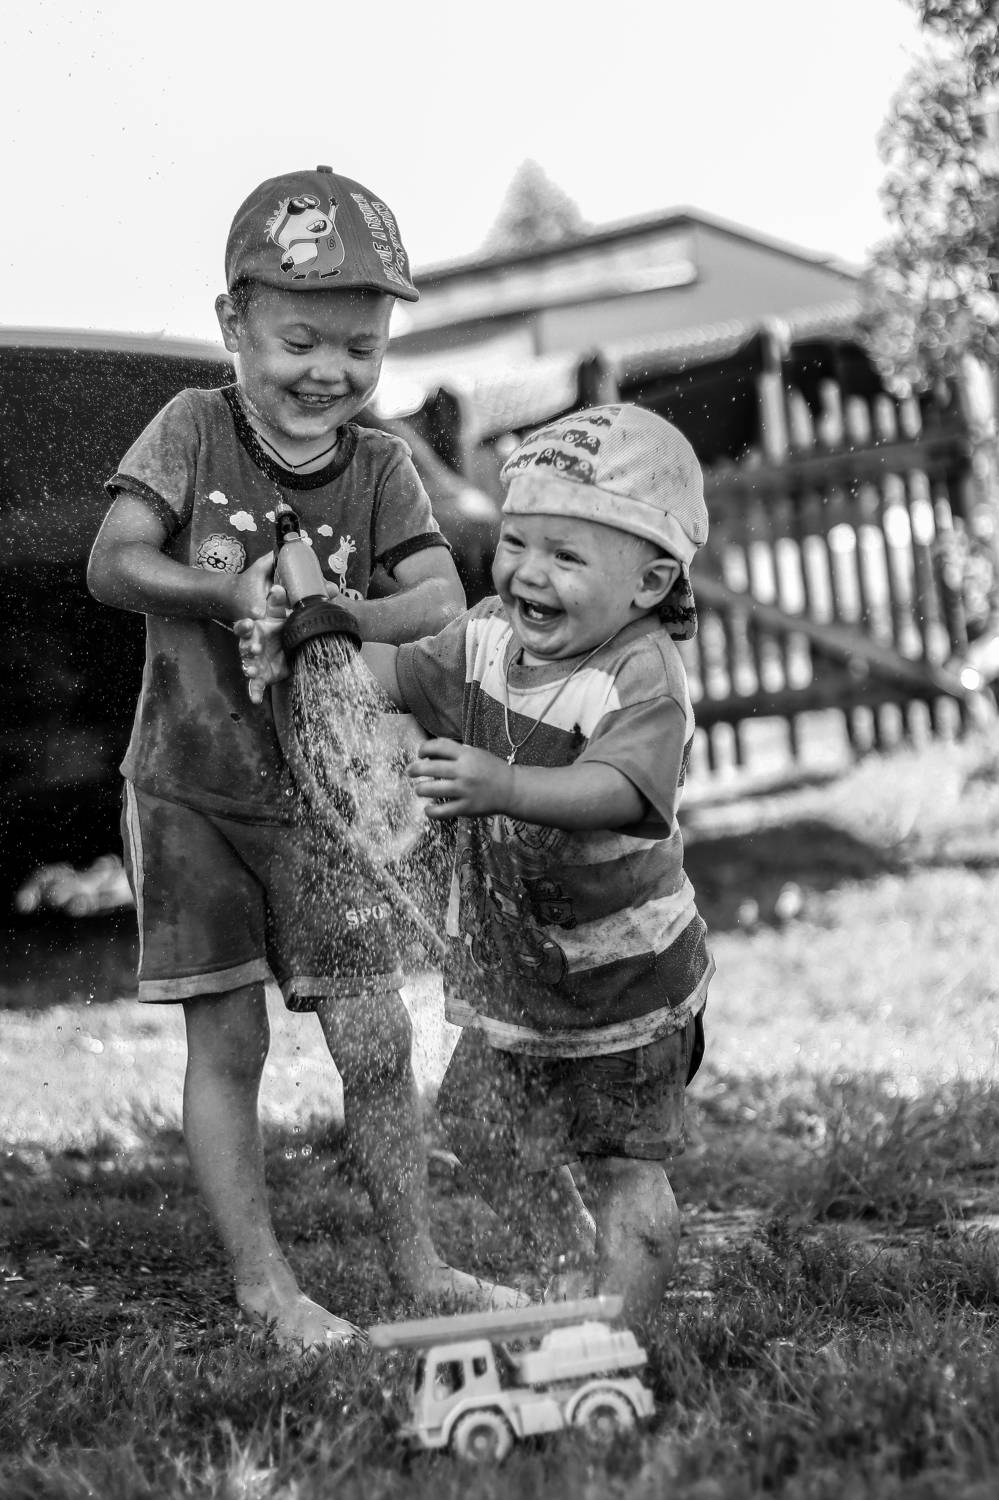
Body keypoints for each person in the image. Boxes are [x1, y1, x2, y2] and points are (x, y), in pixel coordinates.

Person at [87, 165, 522, 1354]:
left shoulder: (379, 465)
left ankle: (418, 1262)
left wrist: (339, 612)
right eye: (299, 341)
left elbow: (438, 597)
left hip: (326, 803)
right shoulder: (192, 429)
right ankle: (264, 1286)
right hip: (189, 792)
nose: (330, 371)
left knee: (377, 1040)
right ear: (234, 323)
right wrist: (223, 591)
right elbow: (113, 562)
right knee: (229, 1042)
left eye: (360, 348)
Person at [239, 403, 716, 1322]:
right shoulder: (488, 634)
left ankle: (623, 1339)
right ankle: (573, 1284)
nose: (527, 572)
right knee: (489, 1144)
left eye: (565, 556)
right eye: (516, 542)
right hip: (515, 980)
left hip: (624, 984)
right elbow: (390, 675)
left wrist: (504, 785)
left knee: (621, 1167)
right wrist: (307, 647)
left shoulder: (638, 674)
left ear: (651, 580)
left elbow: (624, 791)